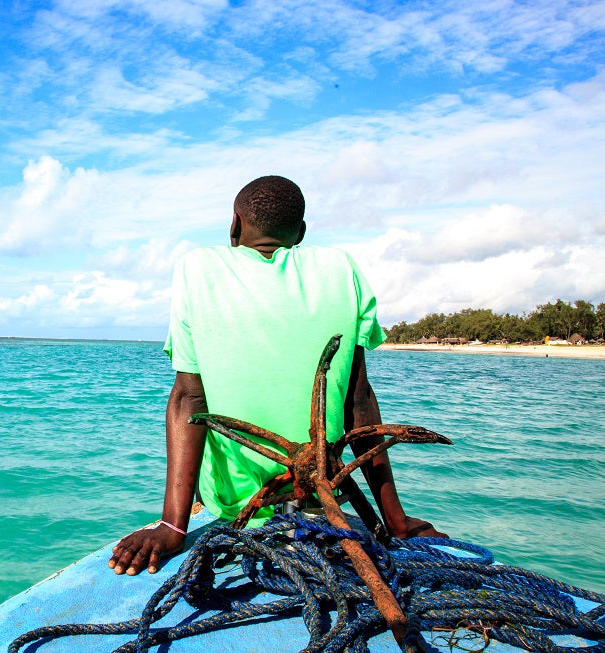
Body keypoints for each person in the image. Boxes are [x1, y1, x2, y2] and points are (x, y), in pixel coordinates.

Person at [109, 175, 446, 576]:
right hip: (324, 490)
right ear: (300, 233)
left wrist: (171, 525)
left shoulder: (197, 269)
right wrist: (397, 522)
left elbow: (189, 399)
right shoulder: (342, 268)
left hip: (235, 502)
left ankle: (196, 510)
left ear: (235, 224)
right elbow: (358, 401)